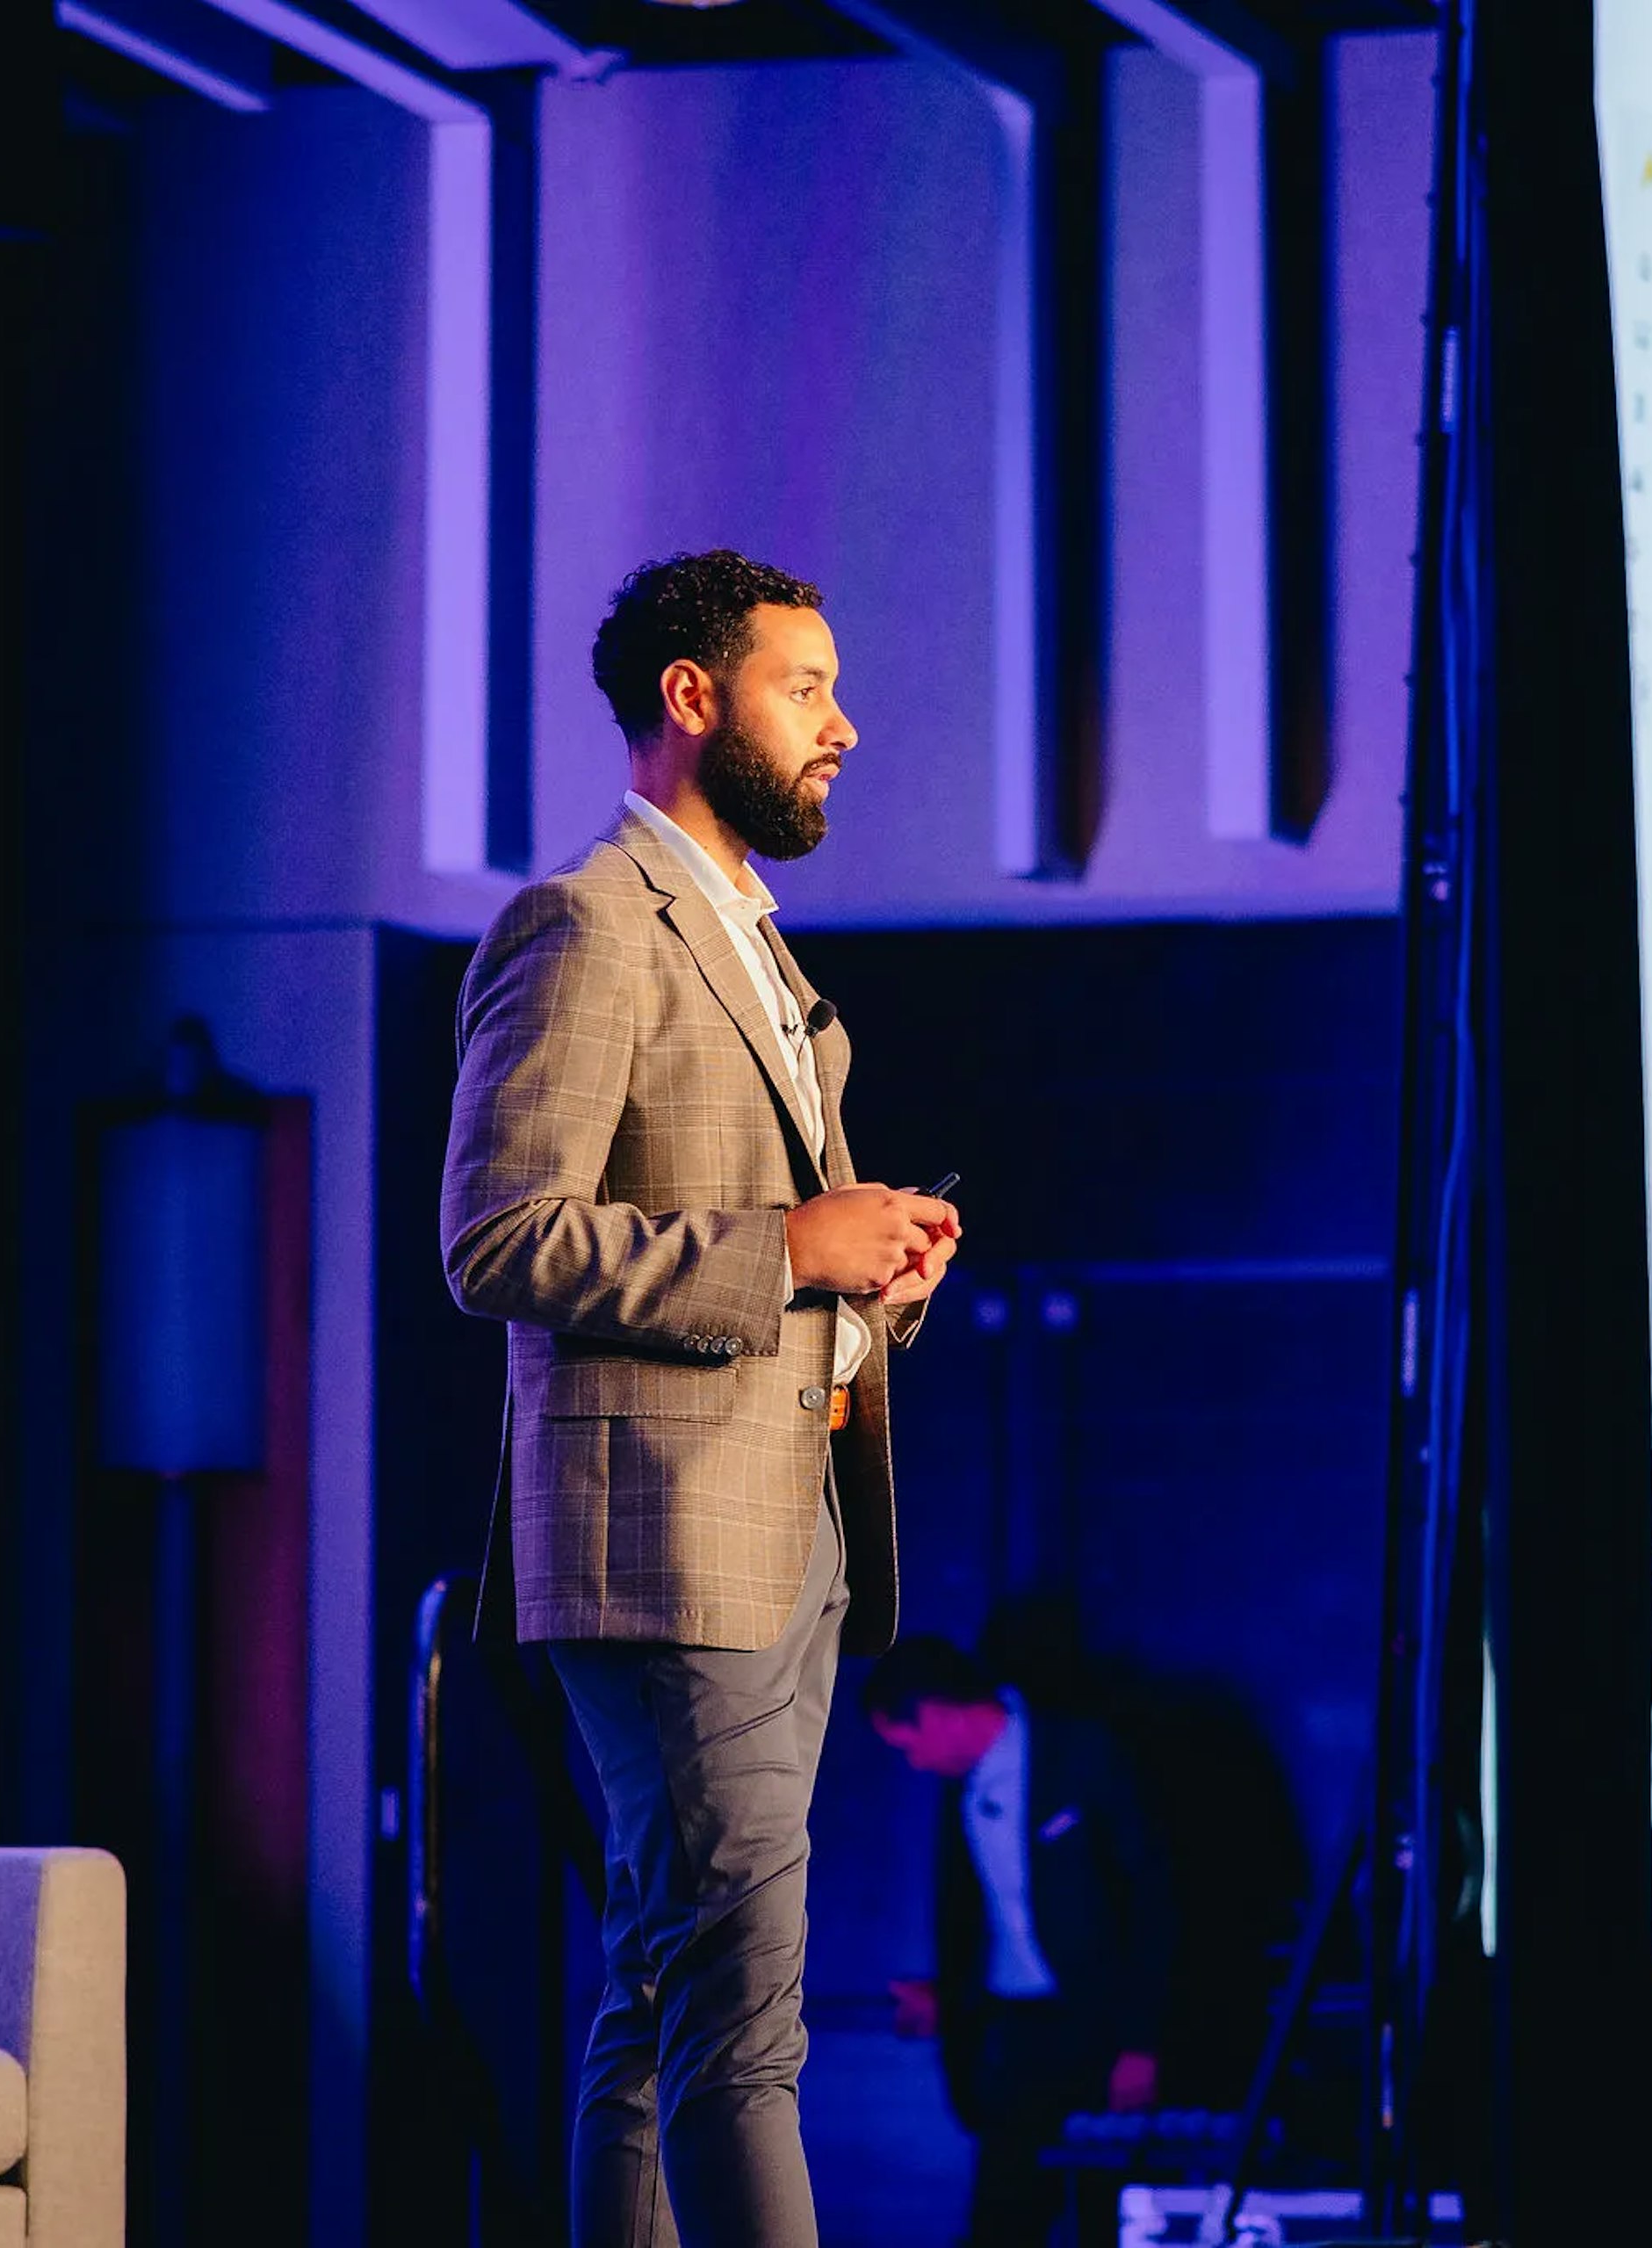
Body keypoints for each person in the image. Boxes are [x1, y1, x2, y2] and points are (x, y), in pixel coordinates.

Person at [442, 549, 964, 2248]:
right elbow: (499, 1234)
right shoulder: (587, 921)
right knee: (742, 2014)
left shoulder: (755, 944)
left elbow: (781, 1253)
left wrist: (867, 1274)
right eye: (804, 688)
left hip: (788, 1517)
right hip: (667, 1539)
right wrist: (785, 1242)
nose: (845, 726)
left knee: (668, 1990)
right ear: (693, 696)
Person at [866, 1638, 1175, 2248]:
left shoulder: (1082, 1753)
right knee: (1003, 2215)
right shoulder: (964, 1788)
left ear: (939, 1713)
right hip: (1017, 2031)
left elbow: (1153, 1903)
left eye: (910, 1745)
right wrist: (947, 1997)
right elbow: (981, 1917)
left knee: (1105, 2210)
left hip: (1101, 2021)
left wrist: (1141, 2040)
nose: (916, 1763)